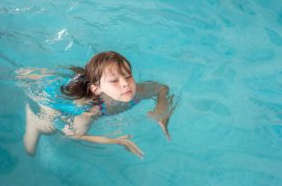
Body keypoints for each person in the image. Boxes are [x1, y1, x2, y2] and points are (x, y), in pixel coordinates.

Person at [17, 51, 175, 159]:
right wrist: (115, 140)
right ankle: (35, 121)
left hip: (85, 84)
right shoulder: (91, 110)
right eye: (114, 81)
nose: (126, 84)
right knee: (48, 126)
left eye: (128, 76)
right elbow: (72, 135)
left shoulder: (138, 91)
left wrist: (162, 112)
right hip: (56, 94)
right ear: (97, 89)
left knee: (79, 78)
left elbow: (162, 89)